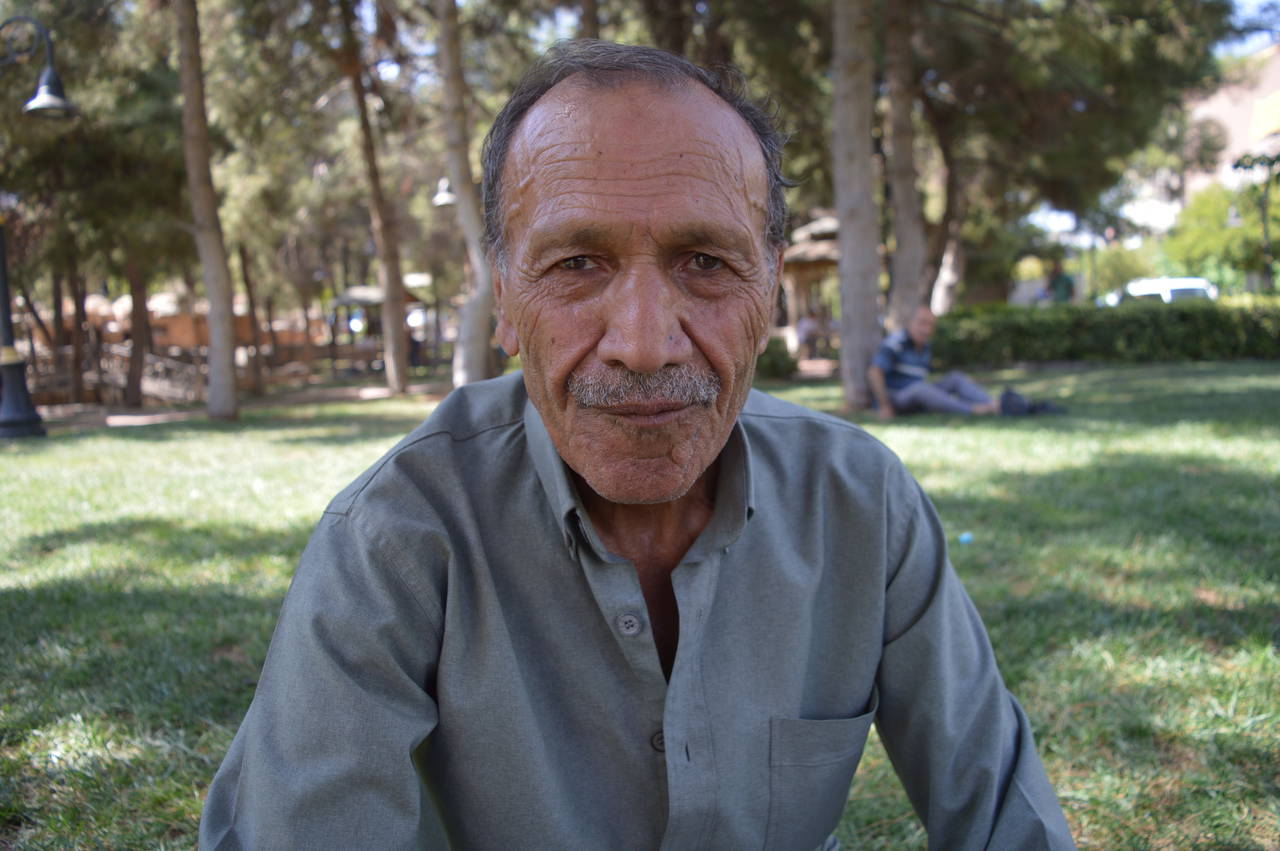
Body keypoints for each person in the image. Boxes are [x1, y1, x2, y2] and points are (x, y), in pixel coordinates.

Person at [200, 41, 1075, 850]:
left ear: (771, 286)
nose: (645, 343)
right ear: (505, 298)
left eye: (706, 261)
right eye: (577, 263)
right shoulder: (394, 539)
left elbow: (1004, 817)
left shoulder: (862, 504)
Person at [868, 305, 999, 419]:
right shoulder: (896, 343)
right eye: (922, 323)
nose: (927, 330)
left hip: (919, 395)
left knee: (955, 378)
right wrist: (884, 406)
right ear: (910, 322)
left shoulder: (925, 347)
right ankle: (973, 409)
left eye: (931, 325)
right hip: (897, 398)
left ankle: (995, 404)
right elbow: (874, 373)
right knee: (920, 389)